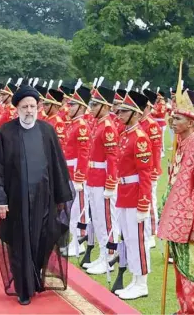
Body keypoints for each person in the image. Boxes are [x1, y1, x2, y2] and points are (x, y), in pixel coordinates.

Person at [0, 85, 73, 305]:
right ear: (16, 108)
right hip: (18, 200)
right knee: (20, 242)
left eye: (33, 106)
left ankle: (35, 280)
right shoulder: (6, 133)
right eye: (24, 106)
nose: (28, 111)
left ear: (39, 107)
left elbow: (58, 165)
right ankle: (23, 288)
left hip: (45, 199)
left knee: (42, 240)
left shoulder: (47, 131)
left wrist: (62, 198)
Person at [158, 89, 194, 314]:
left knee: (192, 271)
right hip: (176, 221)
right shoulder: (180, 146)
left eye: (178, 118)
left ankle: (193, 311)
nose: (172, 121)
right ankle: (183, 309)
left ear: (191, 122)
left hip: (191, 224)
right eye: (172, 117)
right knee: (180, 269)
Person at [113, 90, 153, 300]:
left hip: (136, 194)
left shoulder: (139, 139)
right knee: (129, 238)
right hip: (124, 192)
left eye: (125, 111)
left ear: (136, 114)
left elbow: (145, 174)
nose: (119, 113)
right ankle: (135, 278)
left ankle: (142, 282)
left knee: (138, 240)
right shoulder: (125, 135)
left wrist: (144, 204)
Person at [83, 86, 120, 275]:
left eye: (95, 104)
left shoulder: (108, 127)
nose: (91, 107)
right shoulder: (99, 124)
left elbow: (112, 158)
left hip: (103, 180)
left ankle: (109, 258)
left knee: (106, 221)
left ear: (105, 107)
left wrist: (111, 183)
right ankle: (102, 255)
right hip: (93, 177)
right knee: (97, 220)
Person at [62, 84, 92, 257]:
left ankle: (78, 242)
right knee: (70, 209)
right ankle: (73, 241)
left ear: (81, 107)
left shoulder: (81, 126)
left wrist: (80, 176)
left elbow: (84, 153)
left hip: (76, 173)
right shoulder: (73, 124)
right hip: (69, 169)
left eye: (73, 105)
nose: (69, 107)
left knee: (77, 209)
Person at [140, 88, 163, 248]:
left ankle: (151, 235)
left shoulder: (152, 125)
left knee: (149, 203)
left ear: (148, 107)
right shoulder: (139, 122)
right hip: (139, 170)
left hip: (150, 171)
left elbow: (156, 151)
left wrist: (154, 171)